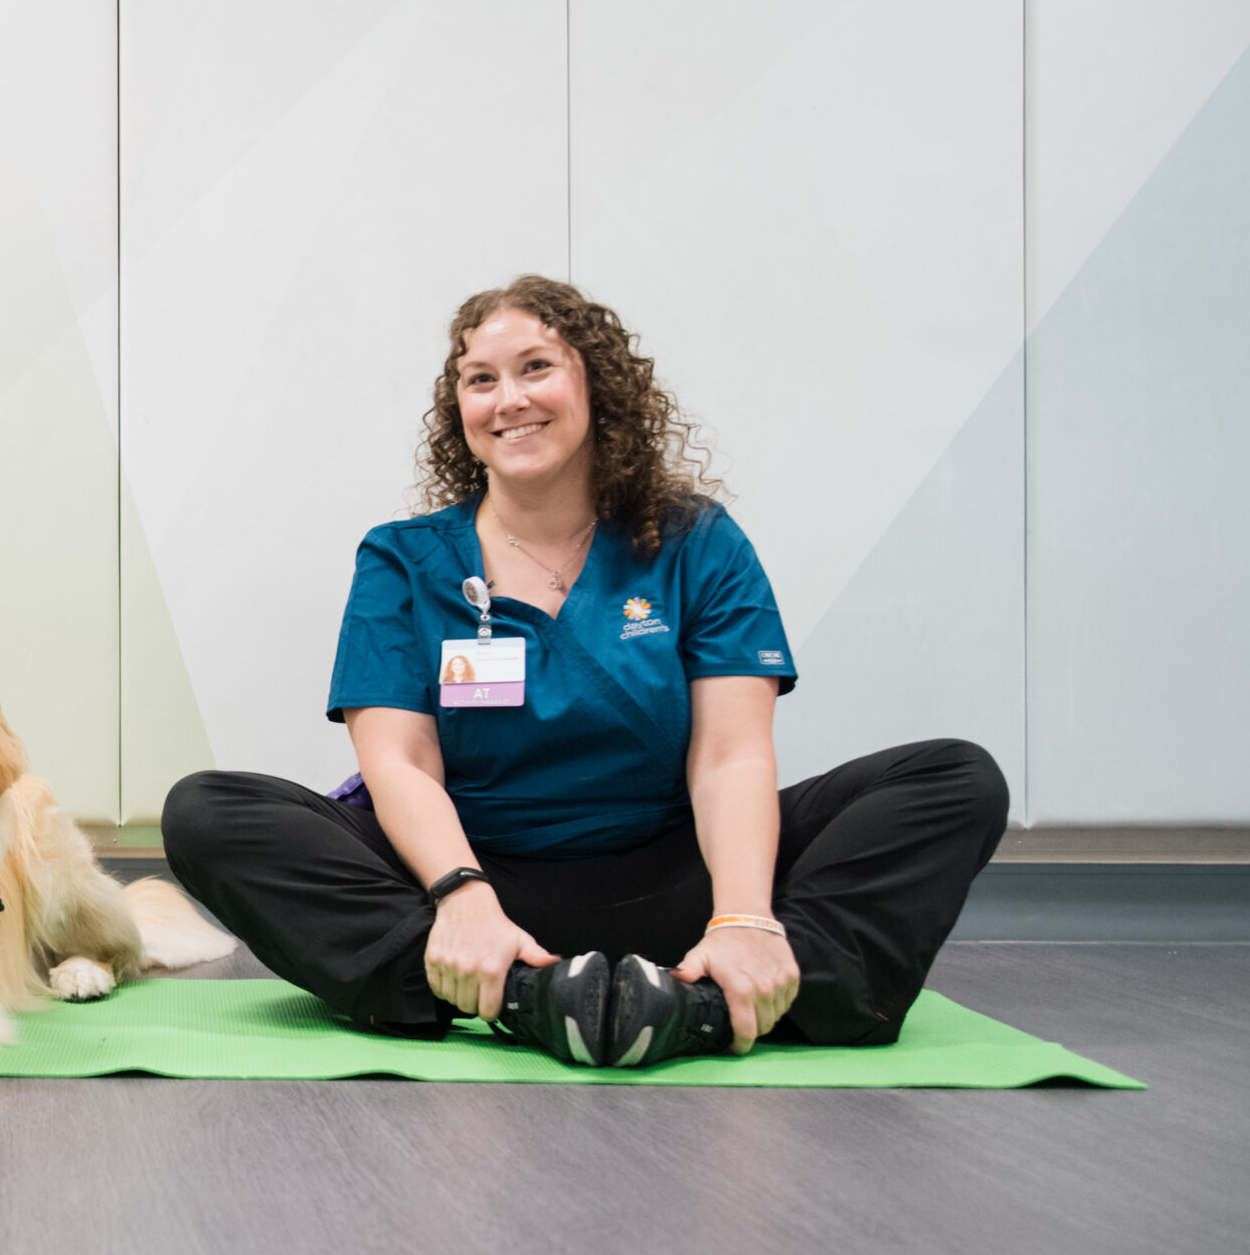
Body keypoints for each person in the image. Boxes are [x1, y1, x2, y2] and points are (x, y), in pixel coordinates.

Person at [161, 275, 1007, 1069]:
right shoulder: (404, 558)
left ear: (597, 386)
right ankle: (533, 995)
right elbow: (400, 762)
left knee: (953, 779)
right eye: (480, 380)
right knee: (208, 811)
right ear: (457, 408)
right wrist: (462, 898)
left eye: (536, 368)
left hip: (673, 876)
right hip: (469, 882)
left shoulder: (696, 542)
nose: (509, 399)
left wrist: (744, 915)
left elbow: (730, 757)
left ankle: (708, 995)